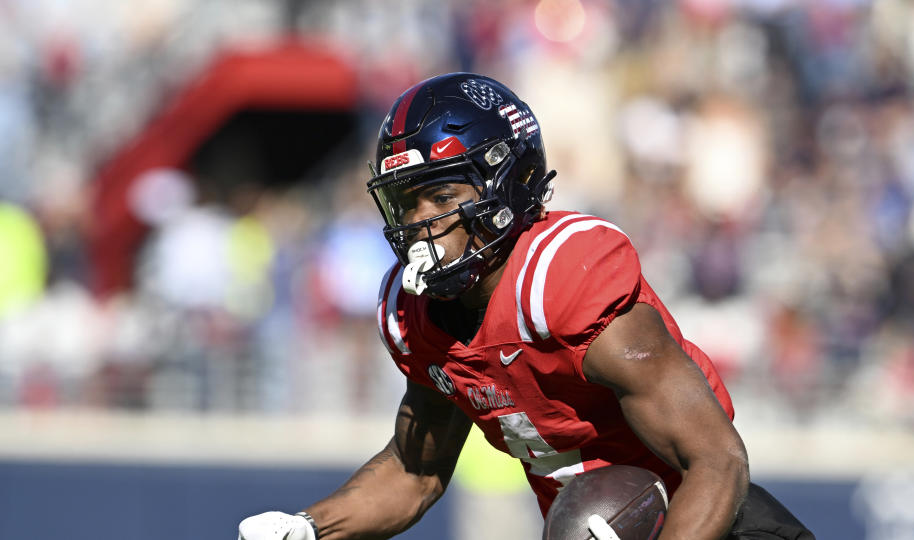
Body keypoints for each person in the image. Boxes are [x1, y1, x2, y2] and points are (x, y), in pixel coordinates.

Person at [238, 73, 813, 540]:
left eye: (441, 195)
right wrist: (307, 528)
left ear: (508, 185)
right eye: (405, 203)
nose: (419, 224)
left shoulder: (560, 282)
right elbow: (415, 474)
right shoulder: (416, 314)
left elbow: (717, 461)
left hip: (717, 525)